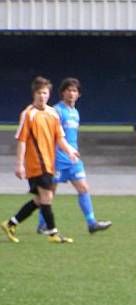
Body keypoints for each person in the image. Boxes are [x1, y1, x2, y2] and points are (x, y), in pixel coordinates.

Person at [2, 76, 79, 244]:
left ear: (49, 94)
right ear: (33, 94)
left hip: (49, 162)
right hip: (35, 164)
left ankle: (10, 223)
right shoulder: (28, 114)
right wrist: (19, 165)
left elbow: (60, 138)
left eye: (44, 93)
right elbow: (21, 140)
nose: (42, 96)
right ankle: (53, 233)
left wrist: (70, 151)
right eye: (39, 93)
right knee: (47, 197)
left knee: (40, 199)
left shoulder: (53, 113)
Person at [35, 77, 111, 235]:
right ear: (62, 93)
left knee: (83, 188)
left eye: (74, 90)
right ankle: (42, 225)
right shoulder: (56, 111)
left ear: (79, 94)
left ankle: (91, 223)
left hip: (73, 159)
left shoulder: (75, 113)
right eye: (68, 90)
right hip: (57, 159)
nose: (71, 93)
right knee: (49, 193)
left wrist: (72, 151)